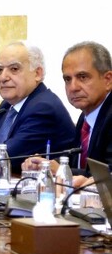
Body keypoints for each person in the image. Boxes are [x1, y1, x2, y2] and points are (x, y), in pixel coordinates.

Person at [0, 42, 75, 172]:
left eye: (14, 69)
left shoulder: (43, 108)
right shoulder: (8, 105)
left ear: (37, 73)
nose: (3, 77)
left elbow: (4, 158)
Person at [23, 41, 112, 183]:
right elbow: (75, 160)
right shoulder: (86, 116)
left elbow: (108, 176)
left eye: (82, 77)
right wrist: (45, 164)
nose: (73, 87)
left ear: (108, 80)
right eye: (67, 79)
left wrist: (61, 170)